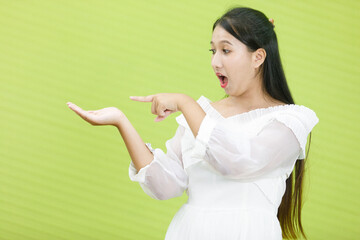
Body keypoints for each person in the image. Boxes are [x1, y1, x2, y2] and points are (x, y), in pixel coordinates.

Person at [67, 7, 319, 240]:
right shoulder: (201, 117)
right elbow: (165, 185)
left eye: (226, 50)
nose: (215, 62)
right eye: (213, 51)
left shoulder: (290, 119)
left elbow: (241, 161)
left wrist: (186, 103)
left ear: (258, 57)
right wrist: (121, 121)